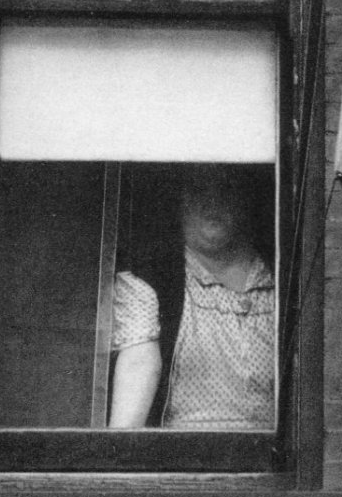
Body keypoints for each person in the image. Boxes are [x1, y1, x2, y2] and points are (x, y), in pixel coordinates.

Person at [107, 166, 274, 429]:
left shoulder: (278, 281)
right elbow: (138, 364)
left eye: (225, 188)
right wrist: (115, 457)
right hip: (185, 459)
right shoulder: (153, 280)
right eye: (198, 189)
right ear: (179, 200)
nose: (212, 201)